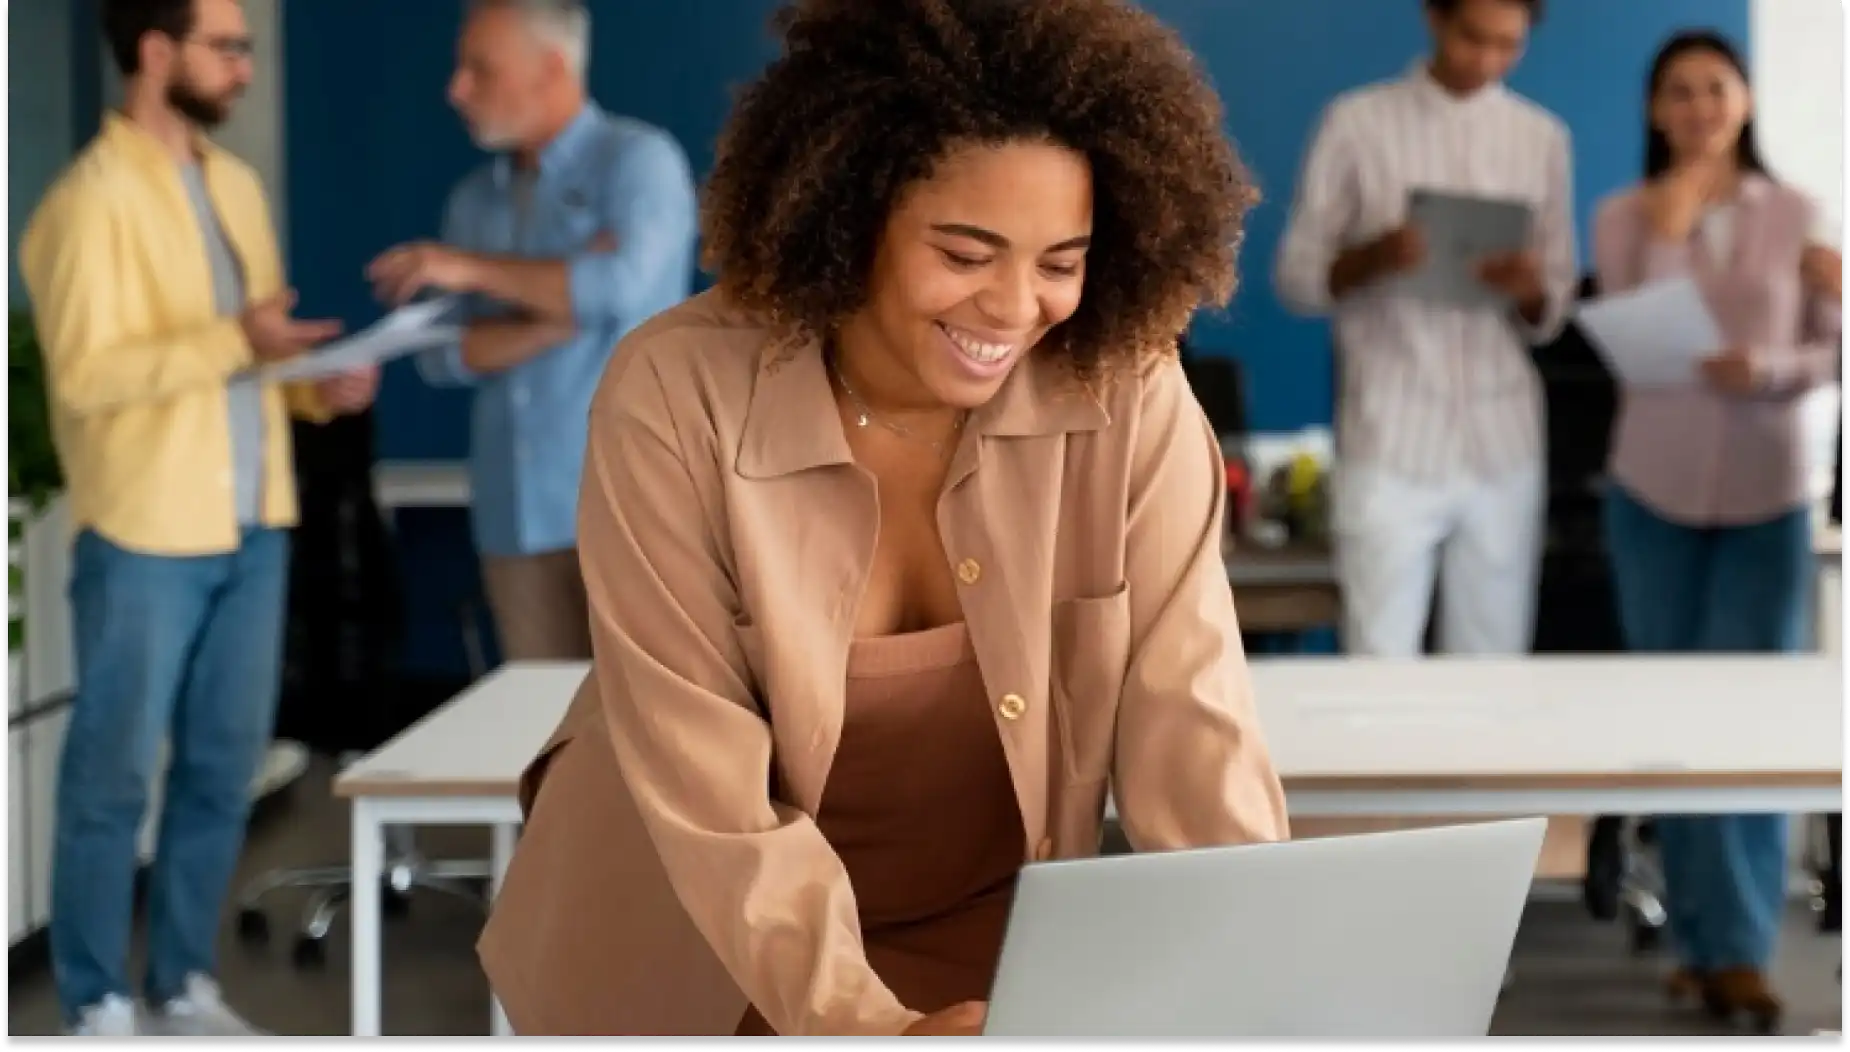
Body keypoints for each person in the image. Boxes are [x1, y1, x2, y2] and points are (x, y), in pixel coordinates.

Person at [477, 0, 1290, 1036]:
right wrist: (868, 1025)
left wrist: (1263, 980)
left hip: (987, 928)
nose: (1010, 308)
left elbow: (1194, 725)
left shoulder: (1127, 390)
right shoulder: (675, 392)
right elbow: (706, 787)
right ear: (849, 212)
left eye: (1059, 262)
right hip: (693, 934)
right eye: (963, 253)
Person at [19, 0, 379, 1037]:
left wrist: (315, 387)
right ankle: (94, 997)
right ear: (154, 50)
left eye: (247, 49)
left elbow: (250, 358)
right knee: (112, 778)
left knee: (222, 768)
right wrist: (234, 336)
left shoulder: (234, 186)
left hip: (252, 525)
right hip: (145, 535)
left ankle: (182, 981)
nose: (245, 70)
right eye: (229, 48)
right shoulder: (84, 205)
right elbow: (88, 379)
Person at [1591, 29, 1843, 1032]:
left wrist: (1769, 367)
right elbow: (1626, 329)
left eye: (1712, 87)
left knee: (1746, 724)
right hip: (1647, 485)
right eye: (1676, 93)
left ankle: (1736, 946)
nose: (1696, 106)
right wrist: (1673, 217)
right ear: (1654, 111)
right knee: (1671, 728)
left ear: (1741, 100)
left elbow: (1823, 348)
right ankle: (1696, 943)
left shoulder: (1797, 213)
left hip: (1764, 487)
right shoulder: (1620, 214)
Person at [368, 0, 698, 661]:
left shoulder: (639, 162)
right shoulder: (472, 200)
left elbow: (624, 288)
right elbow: (443, 355)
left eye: (479, 70)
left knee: (645, 732)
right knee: (541, 737)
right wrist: (562, 304)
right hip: (512, 518)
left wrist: (467, 270)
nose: (455, 89)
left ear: (551, 69)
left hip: (630, 510)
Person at [1275, 0, 1577, 657]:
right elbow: (1296, 277)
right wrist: (1375, 255)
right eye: (1474, 38)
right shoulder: (1356, 123)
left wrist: (1529, 290)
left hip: (1503, 439)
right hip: (1391, 433)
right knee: (1378, 655)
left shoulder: (1541, 137)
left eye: (1508, 45)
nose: (1488, 59)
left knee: (1495, 660)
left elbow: (1551, 306)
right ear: (1435, 19)